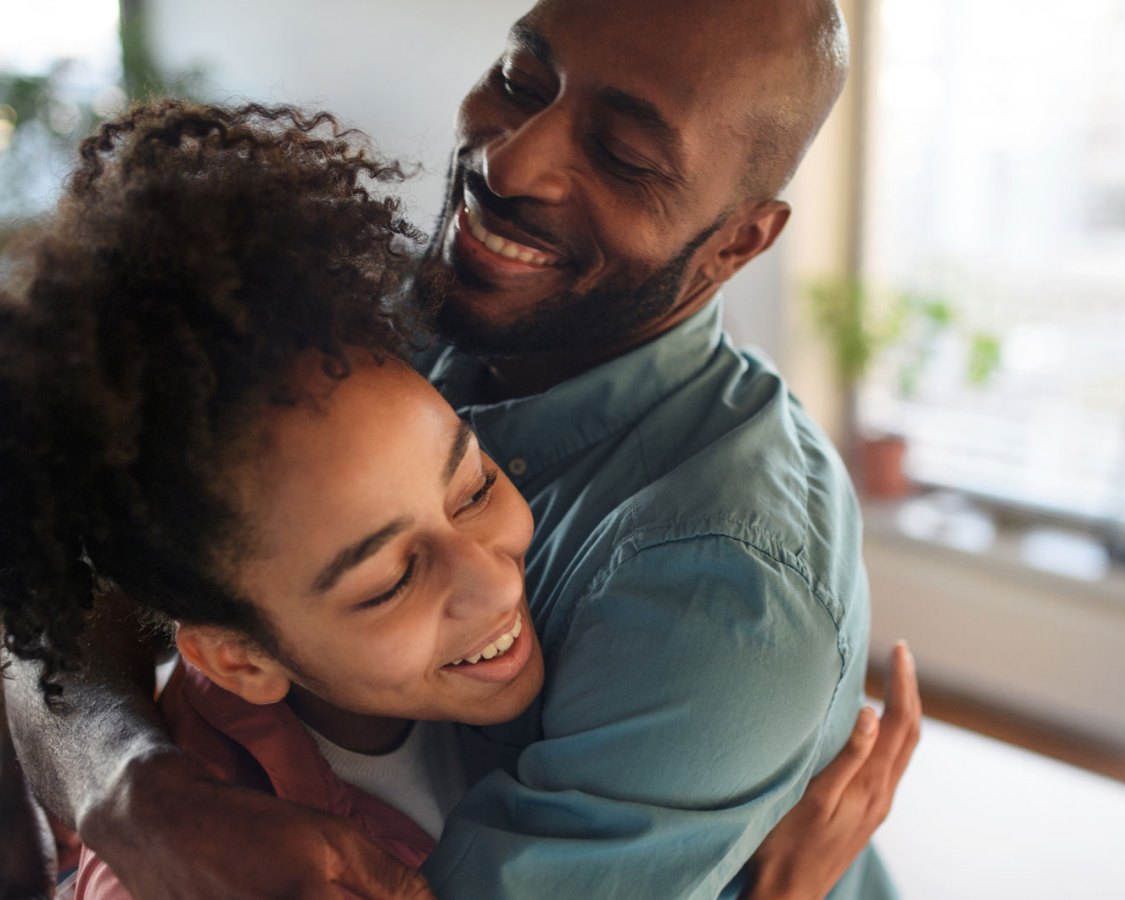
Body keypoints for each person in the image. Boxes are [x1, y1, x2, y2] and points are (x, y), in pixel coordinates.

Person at [6, 0, 922, 897]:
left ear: (736, 243)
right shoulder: (372, 333)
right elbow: (72, 558)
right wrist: (132, 790)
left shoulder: (725, 589)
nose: (510, 159)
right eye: (524, 79)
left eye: (624, 155)